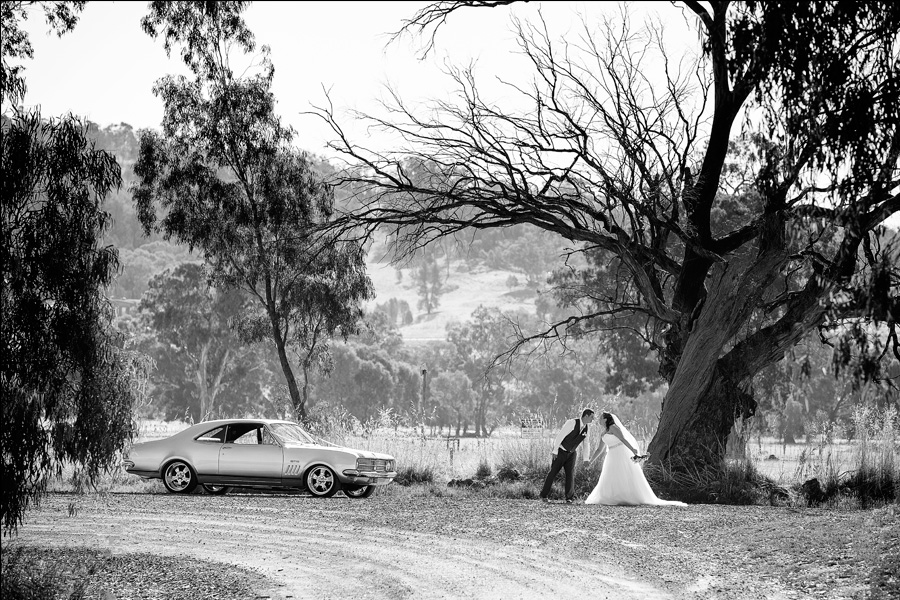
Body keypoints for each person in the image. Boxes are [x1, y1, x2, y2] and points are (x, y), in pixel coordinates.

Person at [584, 412, 686, 506]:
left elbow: (623, 439)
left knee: (623, 473)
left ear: (605, 419)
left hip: (620, 453)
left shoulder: (613, 428)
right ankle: (612, 496)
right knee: (611, 474)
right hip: (611, 455)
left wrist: (633, 450)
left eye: (601, 418)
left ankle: (627, 496)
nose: (598, 420)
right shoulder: (603, 433)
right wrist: (590, 461)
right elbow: (599, 450)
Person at [539, 408, 594, 503]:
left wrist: (586, 459)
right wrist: (555, 450)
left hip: (572, 453)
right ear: (586, 416)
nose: (592, 420)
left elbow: (586, 444)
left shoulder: (586, 428)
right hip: (561, 451)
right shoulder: (572, 423)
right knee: (553, 473)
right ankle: (544, 495)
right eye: (592, 417)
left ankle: (569, 498)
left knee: (570, 475)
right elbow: (560, 435)